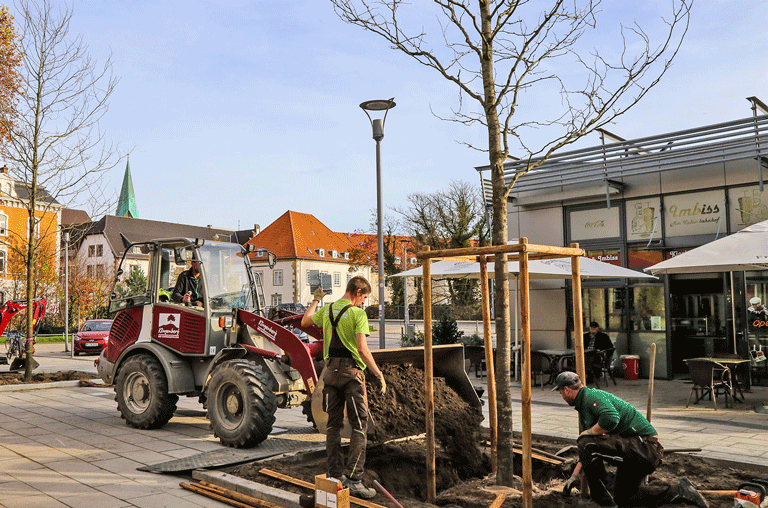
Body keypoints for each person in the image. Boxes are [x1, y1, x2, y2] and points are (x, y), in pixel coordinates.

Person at [554, 371, 708, 508]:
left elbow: (611, 418)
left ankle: (602, 501)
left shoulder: (590, 397)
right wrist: (575, 474)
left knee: (585, 440)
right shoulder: (585, 404)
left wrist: (588, 432)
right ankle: (678, 491)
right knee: (625, 498)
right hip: (634, 451)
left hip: (645, 448)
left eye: (561, 393)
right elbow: (589, 447)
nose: (561, 396)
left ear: (567, 390)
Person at [301, 276, 386, 500]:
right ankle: (354, 479)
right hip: (351, 375)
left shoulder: (328, 310)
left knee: (333, 426)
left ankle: (334, 476)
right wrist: (378, 374)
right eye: (364, 297)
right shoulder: (358, 314)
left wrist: (316, 300)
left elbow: (305, 322)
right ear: (357, 292)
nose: (364, 303)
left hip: (330, 375)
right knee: (359, 427)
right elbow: (362, 349)